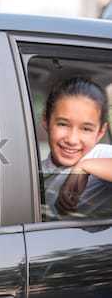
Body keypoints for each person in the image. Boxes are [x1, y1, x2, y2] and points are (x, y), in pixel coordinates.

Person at [42, 77, 112, 220]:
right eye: (63, 124)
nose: (72, 140)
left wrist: (84, 166)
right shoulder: (37, 170)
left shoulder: (99, 155)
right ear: (46, 121)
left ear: (100, 132)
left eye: (86, 129)